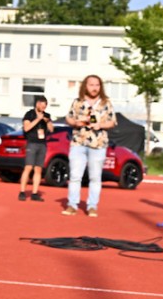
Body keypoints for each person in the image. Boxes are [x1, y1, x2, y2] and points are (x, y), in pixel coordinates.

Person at [63, 75, 116, 217]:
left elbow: (112, 122)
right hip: (78, 142)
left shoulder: (106, 103)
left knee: (95, 177)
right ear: (85, 86)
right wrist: (75, 123)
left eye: (97, 85)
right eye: (91, 85)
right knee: (75, 176)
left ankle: (92, 206)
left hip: (98, 144)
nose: (94, 88)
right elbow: (68, 118)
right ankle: (72, 205)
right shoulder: (77, 102)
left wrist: (100, 125)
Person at [19, 95, 53, 201]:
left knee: (38, 169)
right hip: (32, 143)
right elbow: (26, 128)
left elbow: (51, 129)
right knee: (28, 167)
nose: (43, 108)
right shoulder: (29, 114)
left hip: (42, 144)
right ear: (37, 104)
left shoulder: (47, 115)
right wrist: (38, 119)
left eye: (45, 106)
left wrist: (47, 121)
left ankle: (34, 193)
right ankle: (22, 192)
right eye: (42, 106)